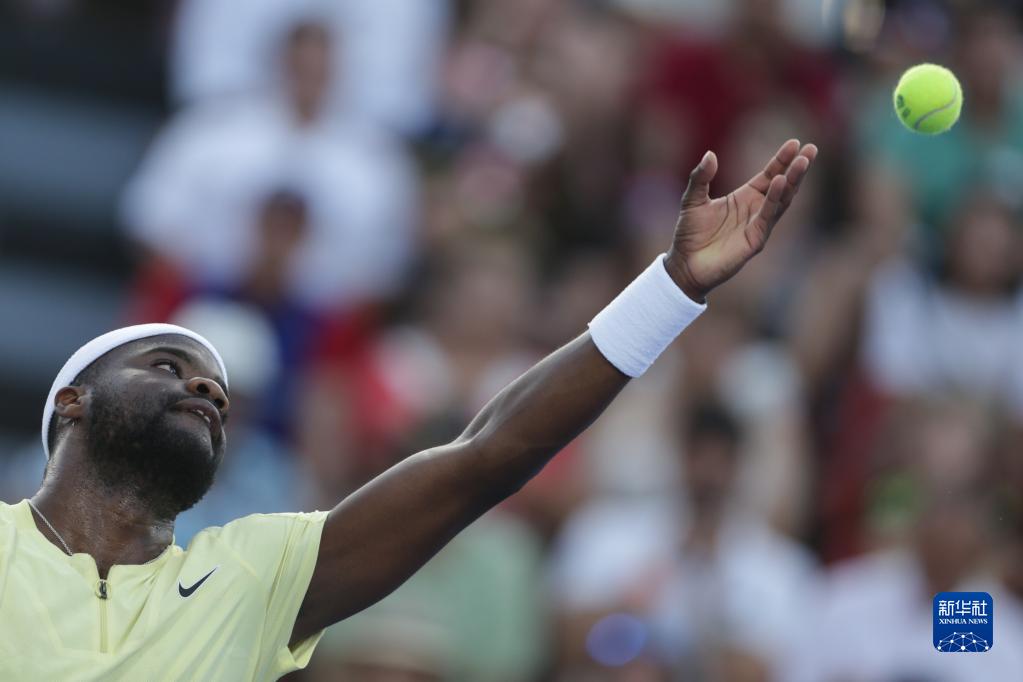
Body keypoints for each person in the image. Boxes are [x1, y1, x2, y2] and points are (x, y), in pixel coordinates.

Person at [0, 140, 816, 679]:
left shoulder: (252, 573)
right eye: (168, 366)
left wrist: (669, 290)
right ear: (72, 403)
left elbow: (483, 456)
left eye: (217, 387)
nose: (207, 390)